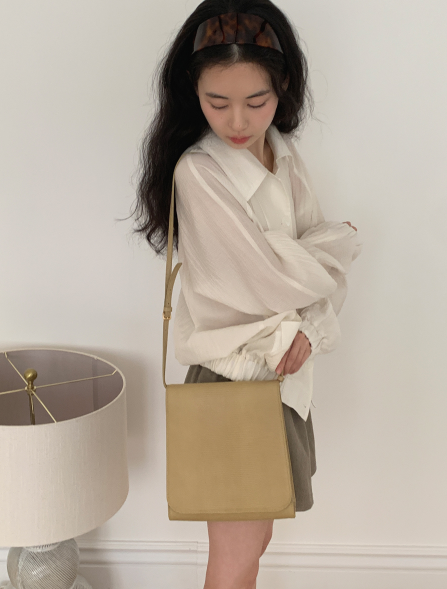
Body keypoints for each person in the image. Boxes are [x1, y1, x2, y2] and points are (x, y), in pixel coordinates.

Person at [129, 2, 362, 588]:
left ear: (282, 87)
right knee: (234, 561)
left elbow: (306, 276)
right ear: (193, 91)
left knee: (254, 546)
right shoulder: (198, 173)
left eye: (256, 101)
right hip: (231, 382)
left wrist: (310, 323)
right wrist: (336, 246)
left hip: (283, 380)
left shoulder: (282, 152)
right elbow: (275, 281)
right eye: (218, 102)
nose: (238, 121)